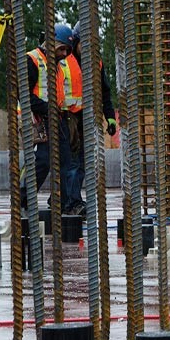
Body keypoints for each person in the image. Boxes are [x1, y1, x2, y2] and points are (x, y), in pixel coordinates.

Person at [20, 23, 78, 212]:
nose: (64, 53)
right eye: (61, 48)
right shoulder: (33, 60)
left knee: (66, 162)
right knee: (42, 160)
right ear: (51, 42)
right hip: (37, 118)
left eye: (67, 50)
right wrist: (46, 108)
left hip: (57, 118)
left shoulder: (58, 66)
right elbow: (24, 94)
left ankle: (62, 203)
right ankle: (23, 198)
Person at [61, 24, 117, 216]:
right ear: (76, 42)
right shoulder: (64, 60)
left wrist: (110, 117)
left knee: (83, 162)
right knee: (72, 162)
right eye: (84, 43)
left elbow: (105, 91)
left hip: (86, 116)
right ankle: (73, 202)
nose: (88, 48)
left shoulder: (96, 62)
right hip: (66, 115)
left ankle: (64, 199)